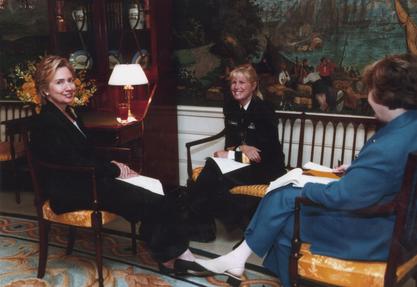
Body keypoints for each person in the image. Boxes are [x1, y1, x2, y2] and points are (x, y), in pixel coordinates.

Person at [192, 53, 417, 286]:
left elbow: (343, 195)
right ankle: (237, 259)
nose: (367, 96)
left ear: (385, 95)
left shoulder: (389, 144)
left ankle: (239, 259)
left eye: (370, 90)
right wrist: (357, 166)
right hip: (394, 228)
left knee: (282, 204)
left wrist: (305, 186)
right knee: (279, 210)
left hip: (371, 234)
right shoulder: (408, 128)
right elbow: (386, 171)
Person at [29, 55, 198, 274]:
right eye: (60, 82)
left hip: (86, 180)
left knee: (154, 190)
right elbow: (73, 162)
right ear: (45, 90)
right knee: (153, 201)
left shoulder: (70, 113)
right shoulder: (47, 122)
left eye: (70, 80)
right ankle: (174, 258)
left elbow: (85, 154)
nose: (69, 87)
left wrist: (112, 163)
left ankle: (172, 254)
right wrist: (114, 170)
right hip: (71, 191)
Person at [186, 63, 286, 241]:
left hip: (265, 166)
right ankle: (214, 224)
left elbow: (261, 154)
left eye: (242, 82)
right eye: (233, 82)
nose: (236, 87)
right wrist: (240, 148)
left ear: (253, 85)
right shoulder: (231, 108)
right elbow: (233, 143)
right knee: (212, 169)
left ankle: (204, 227)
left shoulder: (264, 110)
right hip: (243, 162)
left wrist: (233, 152)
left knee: (211, 174)